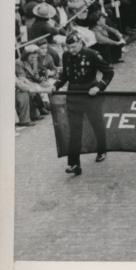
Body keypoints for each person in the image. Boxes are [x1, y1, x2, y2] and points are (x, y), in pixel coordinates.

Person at [53, 31, 114, 176]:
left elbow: (109, 72)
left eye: (74, 47)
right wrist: (56, 85)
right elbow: (65, 75)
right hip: (73, 96)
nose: (71, 50)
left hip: (90, 95)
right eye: (69, 47)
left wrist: (99, 87)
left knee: (97, 124)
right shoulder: (66, 55)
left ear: (80, 43)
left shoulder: (92, 54)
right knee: (74, 131)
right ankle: (74, 164)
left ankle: (101, 149)